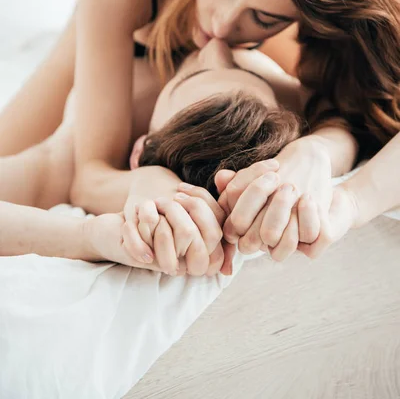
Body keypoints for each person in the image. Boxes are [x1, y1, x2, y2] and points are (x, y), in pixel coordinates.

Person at [1, 0, 399, 261]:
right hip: (123, 17)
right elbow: (90, 173)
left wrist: (317, 152)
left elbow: (345, 114)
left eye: (263, 17)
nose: (222, 30)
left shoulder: (300, 17)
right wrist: (148, 183)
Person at [0, 40, 303, 277]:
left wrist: (87, 237)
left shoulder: (62, 160)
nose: (216, 48)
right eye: (242, 70)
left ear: (138, 153)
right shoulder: (251, 78)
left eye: (191, 76)